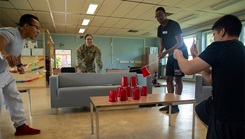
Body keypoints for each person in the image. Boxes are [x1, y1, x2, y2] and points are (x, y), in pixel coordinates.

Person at [174, 14, 244, 139]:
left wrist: (178, 55)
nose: (214, 38)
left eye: (214, 35)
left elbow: (187, 68)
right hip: (238, 112)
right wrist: (195, 56)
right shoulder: (240, 49)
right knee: (200, 110)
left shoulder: (219, 46)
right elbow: (211, 77)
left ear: (222, 32)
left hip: (225, 115)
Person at [0, 14, 41, 136]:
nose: (38, 32)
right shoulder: (10, 33)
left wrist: (19, 65)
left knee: (14, 97)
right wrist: (3, 54)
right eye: (37, 28)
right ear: (26, 26)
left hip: (3, 73)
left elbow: (16, 52)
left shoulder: (22, 40)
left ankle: (21, 126)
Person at [155, 7, 188, 113]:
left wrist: (165, 52)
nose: (159, 18)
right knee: (168, 79)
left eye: (160, 15)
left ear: (165, 14)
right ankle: (170, 103)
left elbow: (180, 43)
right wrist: (161, 51)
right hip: (170, 54)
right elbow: (162, 43)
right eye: (157, 16)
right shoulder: (159, 28)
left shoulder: (174, 25)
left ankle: (176, 105)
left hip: (180, 53)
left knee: (178, 79)